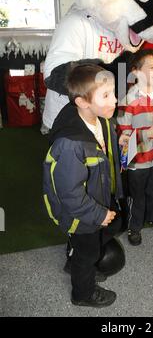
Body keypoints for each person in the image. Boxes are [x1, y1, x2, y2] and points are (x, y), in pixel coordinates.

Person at [43, 63, 127, 308]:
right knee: (88, 253)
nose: (115, 100)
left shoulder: (101, 120)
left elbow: (102, 152)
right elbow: (70, 194)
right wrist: (98, 214)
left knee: (112, 227)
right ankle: (82, 293)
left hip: (98, 194)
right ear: (82, 102)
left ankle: (75, 258)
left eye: (113, 92)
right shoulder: (70, 144)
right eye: (106, 95)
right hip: (82, 212)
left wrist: (117, 140)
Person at [117, 49, 153, 246]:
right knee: (137, 196)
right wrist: (147, 134)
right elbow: (122, 136)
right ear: (137, 72)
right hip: (137, 160)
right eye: (151, 68)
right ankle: (135, 226)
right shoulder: (128, 100)